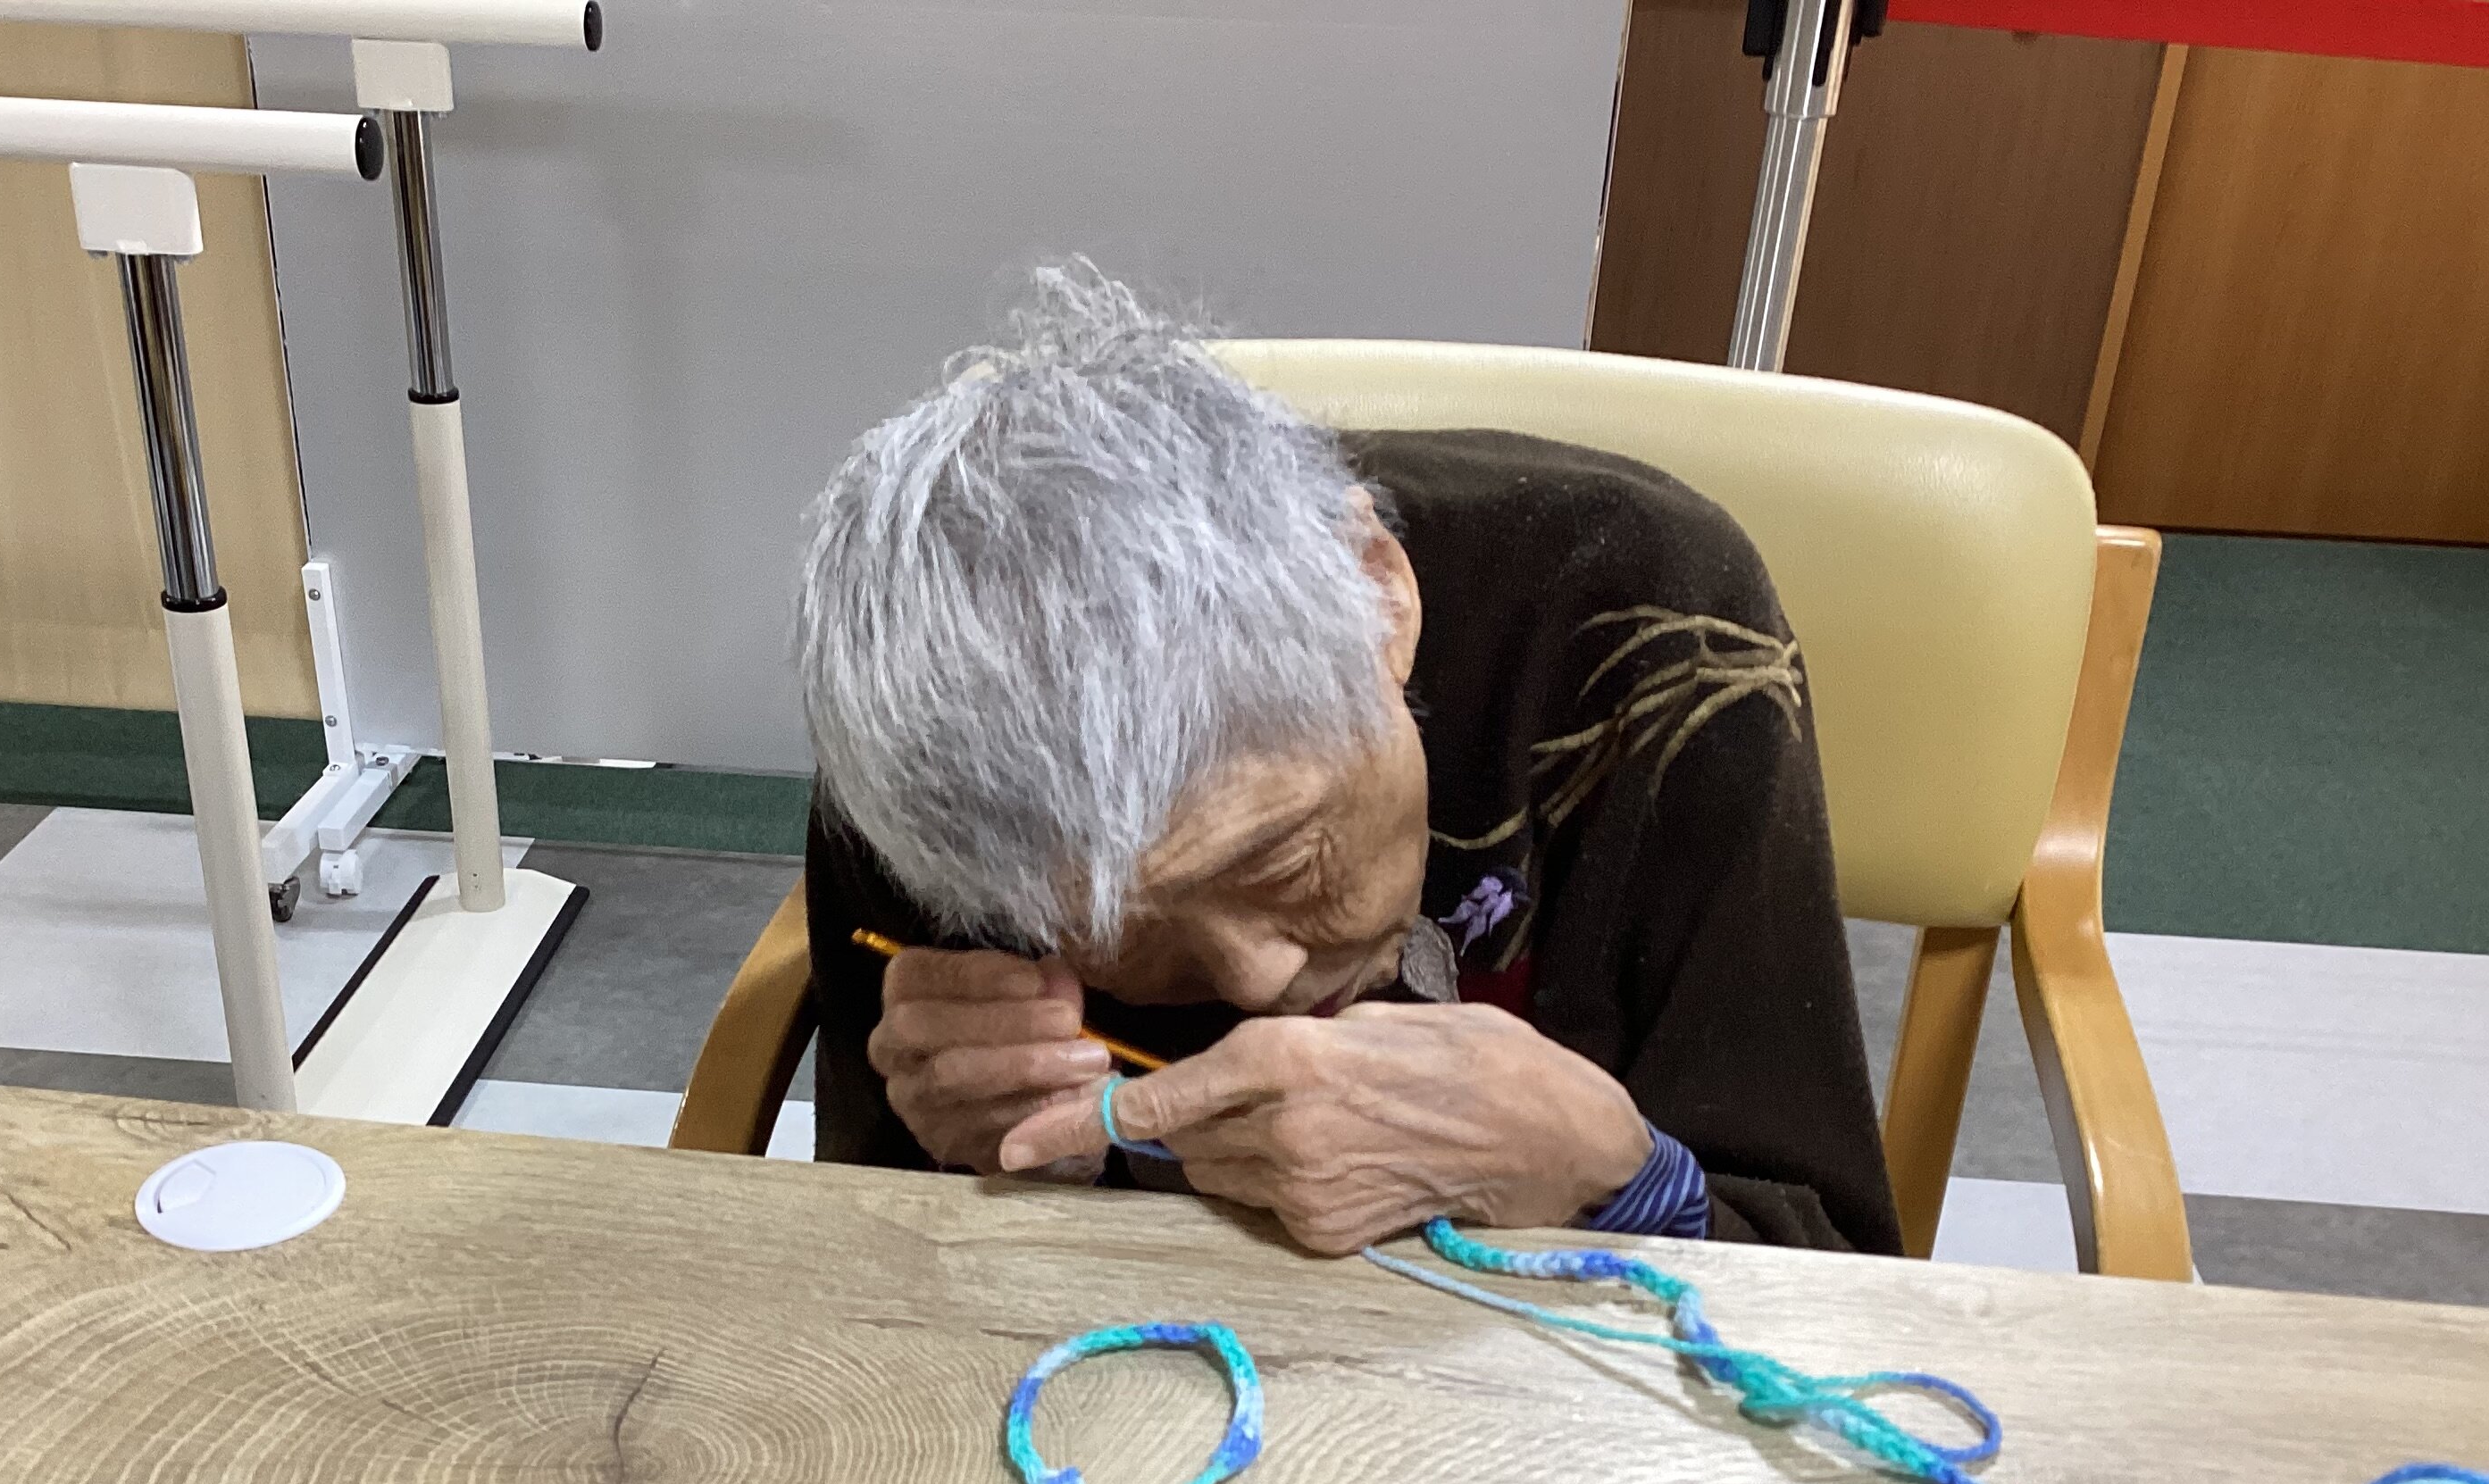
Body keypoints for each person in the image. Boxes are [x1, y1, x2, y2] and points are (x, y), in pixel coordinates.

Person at [793, 263, 1897, 1258]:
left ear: (1383, 594)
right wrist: (980, 1157)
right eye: (1118, 930)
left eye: (1280, 862)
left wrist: (1618, 1182)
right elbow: (864, 1257)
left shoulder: (1649, 635)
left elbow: (1830, 1263)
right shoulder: (923, 743)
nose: (1257, 981)